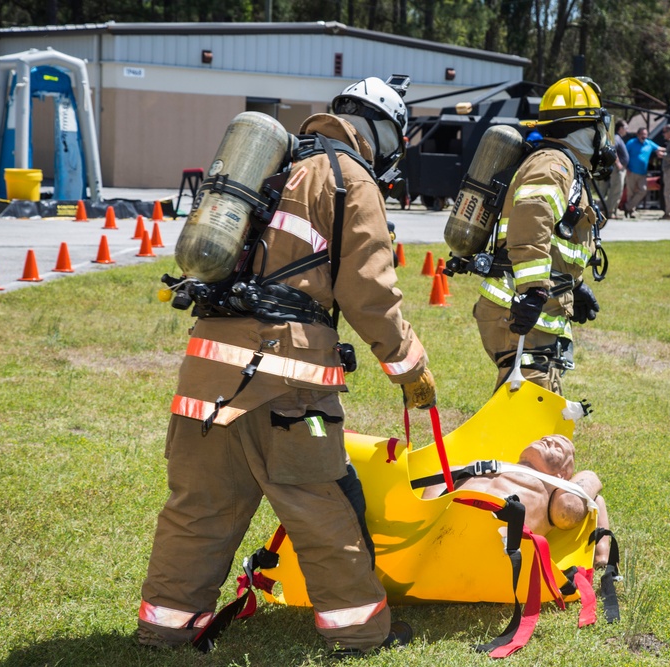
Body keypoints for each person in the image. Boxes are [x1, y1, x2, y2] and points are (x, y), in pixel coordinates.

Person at [138, 76, 436, 656]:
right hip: (291, 390)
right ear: (380, 131)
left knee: (198, 508)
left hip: (207, 374)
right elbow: (369, 292)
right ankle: (359, 633)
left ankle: (165, 628)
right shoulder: (351, 178)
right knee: (322, 504)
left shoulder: (272, 169)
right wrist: (409, 366)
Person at [472, 76, 612, 395]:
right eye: (601, 128)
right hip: (520, 309)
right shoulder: (554, 165)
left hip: (535, 310)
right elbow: (531, 223)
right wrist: (534, 292)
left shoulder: (564, 167)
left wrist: (575, 287)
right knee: (526, 410)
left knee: (535, 401)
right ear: (585, 129)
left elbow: (554, 238)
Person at [420, 434, 612, 568]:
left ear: (563, 474)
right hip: (440, 536)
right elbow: (438, 482)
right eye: (545, 439)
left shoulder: (552, 491)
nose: (548, 440)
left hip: (495, 548)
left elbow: (570, 509)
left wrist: (588, 480)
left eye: (557, 447)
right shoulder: (486, 464)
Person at [622, 126, 665, 217]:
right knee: (631, 192)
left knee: (643, 190)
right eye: (642, 134)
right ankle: (631, 211)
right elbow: (624, 155)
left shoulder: (649, 143)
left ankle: (627, 207)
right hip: (631, 171)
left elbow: (660, 149)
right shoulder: (631, 143)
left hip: (643, 173)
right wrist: (626, 168)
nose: (644, 136)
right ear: (638, 135)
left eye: (645, 134)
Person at [604, 119, 628, 218]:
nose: (627, 130)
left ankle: (613, 211)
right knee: (615, 190)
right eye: (626, 128)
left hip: (621, 169)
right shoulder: (617, 138)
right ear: (621, 128)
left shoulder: (618, 138)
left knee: (618, 191)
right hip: (618, 169)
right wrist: (618, 164)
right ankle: (610, 212)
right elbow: (613, 150)